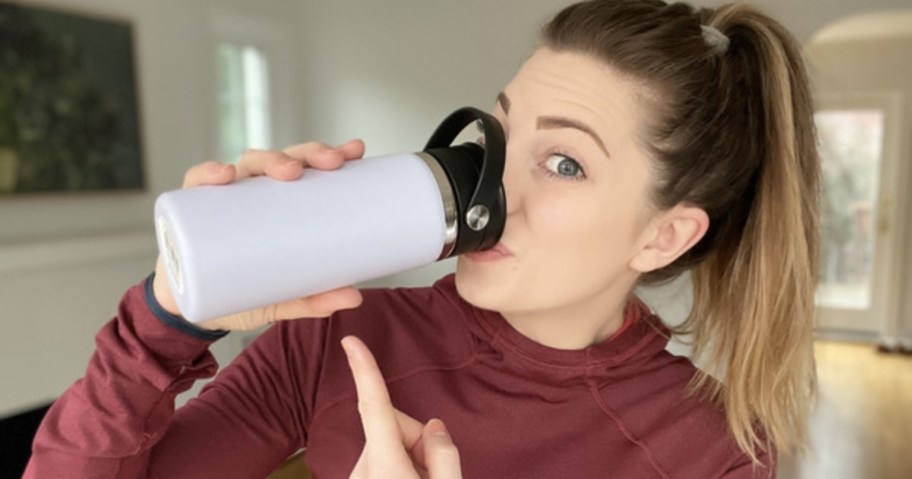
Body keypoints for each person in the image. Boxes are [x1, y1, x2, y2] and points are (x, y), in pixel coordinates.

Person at [25, 0, 819, 477]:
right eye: (501, 131)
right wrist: (168, 315)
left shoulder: (710, 452)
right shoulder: (339, 335)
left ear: (662, 235)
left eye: (566, 162)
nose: (493, 182)